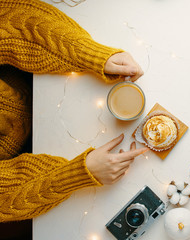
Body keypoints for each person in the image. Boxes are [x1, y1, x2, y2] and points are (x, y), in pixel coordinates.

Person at [0, 0, 148, 222]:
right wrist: (78, 173)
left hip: (36, 78)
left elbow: (10, 20)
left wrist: (92, 55)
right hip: (37, 152)